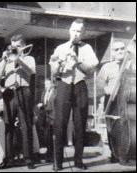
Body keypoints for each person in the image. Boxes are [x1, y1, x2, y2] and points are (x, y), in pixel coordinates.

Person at [49, 18, 99, 170]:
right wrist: (59, 63)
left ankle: (78, 161)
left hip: (80, 86)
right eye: (74, 30)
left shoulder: (88, 48)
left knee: (79, 125)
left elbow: (91, 69)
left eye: (79, 31)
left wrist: (78, 61)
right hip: (63, 85)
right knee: (59, 125)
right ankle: (57, 162)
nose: (76, 34)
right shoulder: (60, 48)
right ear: (69, 30)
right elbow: (53, 72)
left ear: (83, 33)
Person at [0, 34, 36, 169]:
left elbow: (32, 72)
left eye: (17, 46)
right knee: (8, 126)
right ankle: (9, 159)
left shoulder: (29, 58)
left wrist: (19, 60)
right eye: (12, 46)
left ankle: (28, 159)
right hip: (9, 93)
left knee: (26, 126)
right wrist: (5, 60)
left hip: (24, 91)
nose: (14, 49)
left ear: (23, 46)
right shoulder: (7, 60)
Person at [96, 40, 135, 163]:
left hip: (127, 100)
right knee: (112, 128)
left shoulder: (132, 64)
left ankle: (126, 152)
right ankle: (115, 153)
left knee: (127, 127)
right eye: (116, 50)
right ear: (112, 53)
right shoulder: (107, 67)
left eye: (122, 49)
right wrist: (106, 89)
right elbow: (99, 84)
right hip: (112, 100)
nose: (120, 52)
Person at [34, 79, 55, 163]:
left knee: (53, 137)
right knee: (47, 137)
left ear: (52, 84)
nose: (46, 85)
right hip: (45, 117)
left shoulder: (55, 92)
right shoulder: (44, 92)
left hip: (53, 117)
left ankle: (53, 155)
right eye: (45, 84)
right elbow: (43, 102)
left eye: (48, 84)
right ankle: (49, 155)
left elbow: (54, 104)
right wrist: (41, 105)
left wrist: (45, 106)